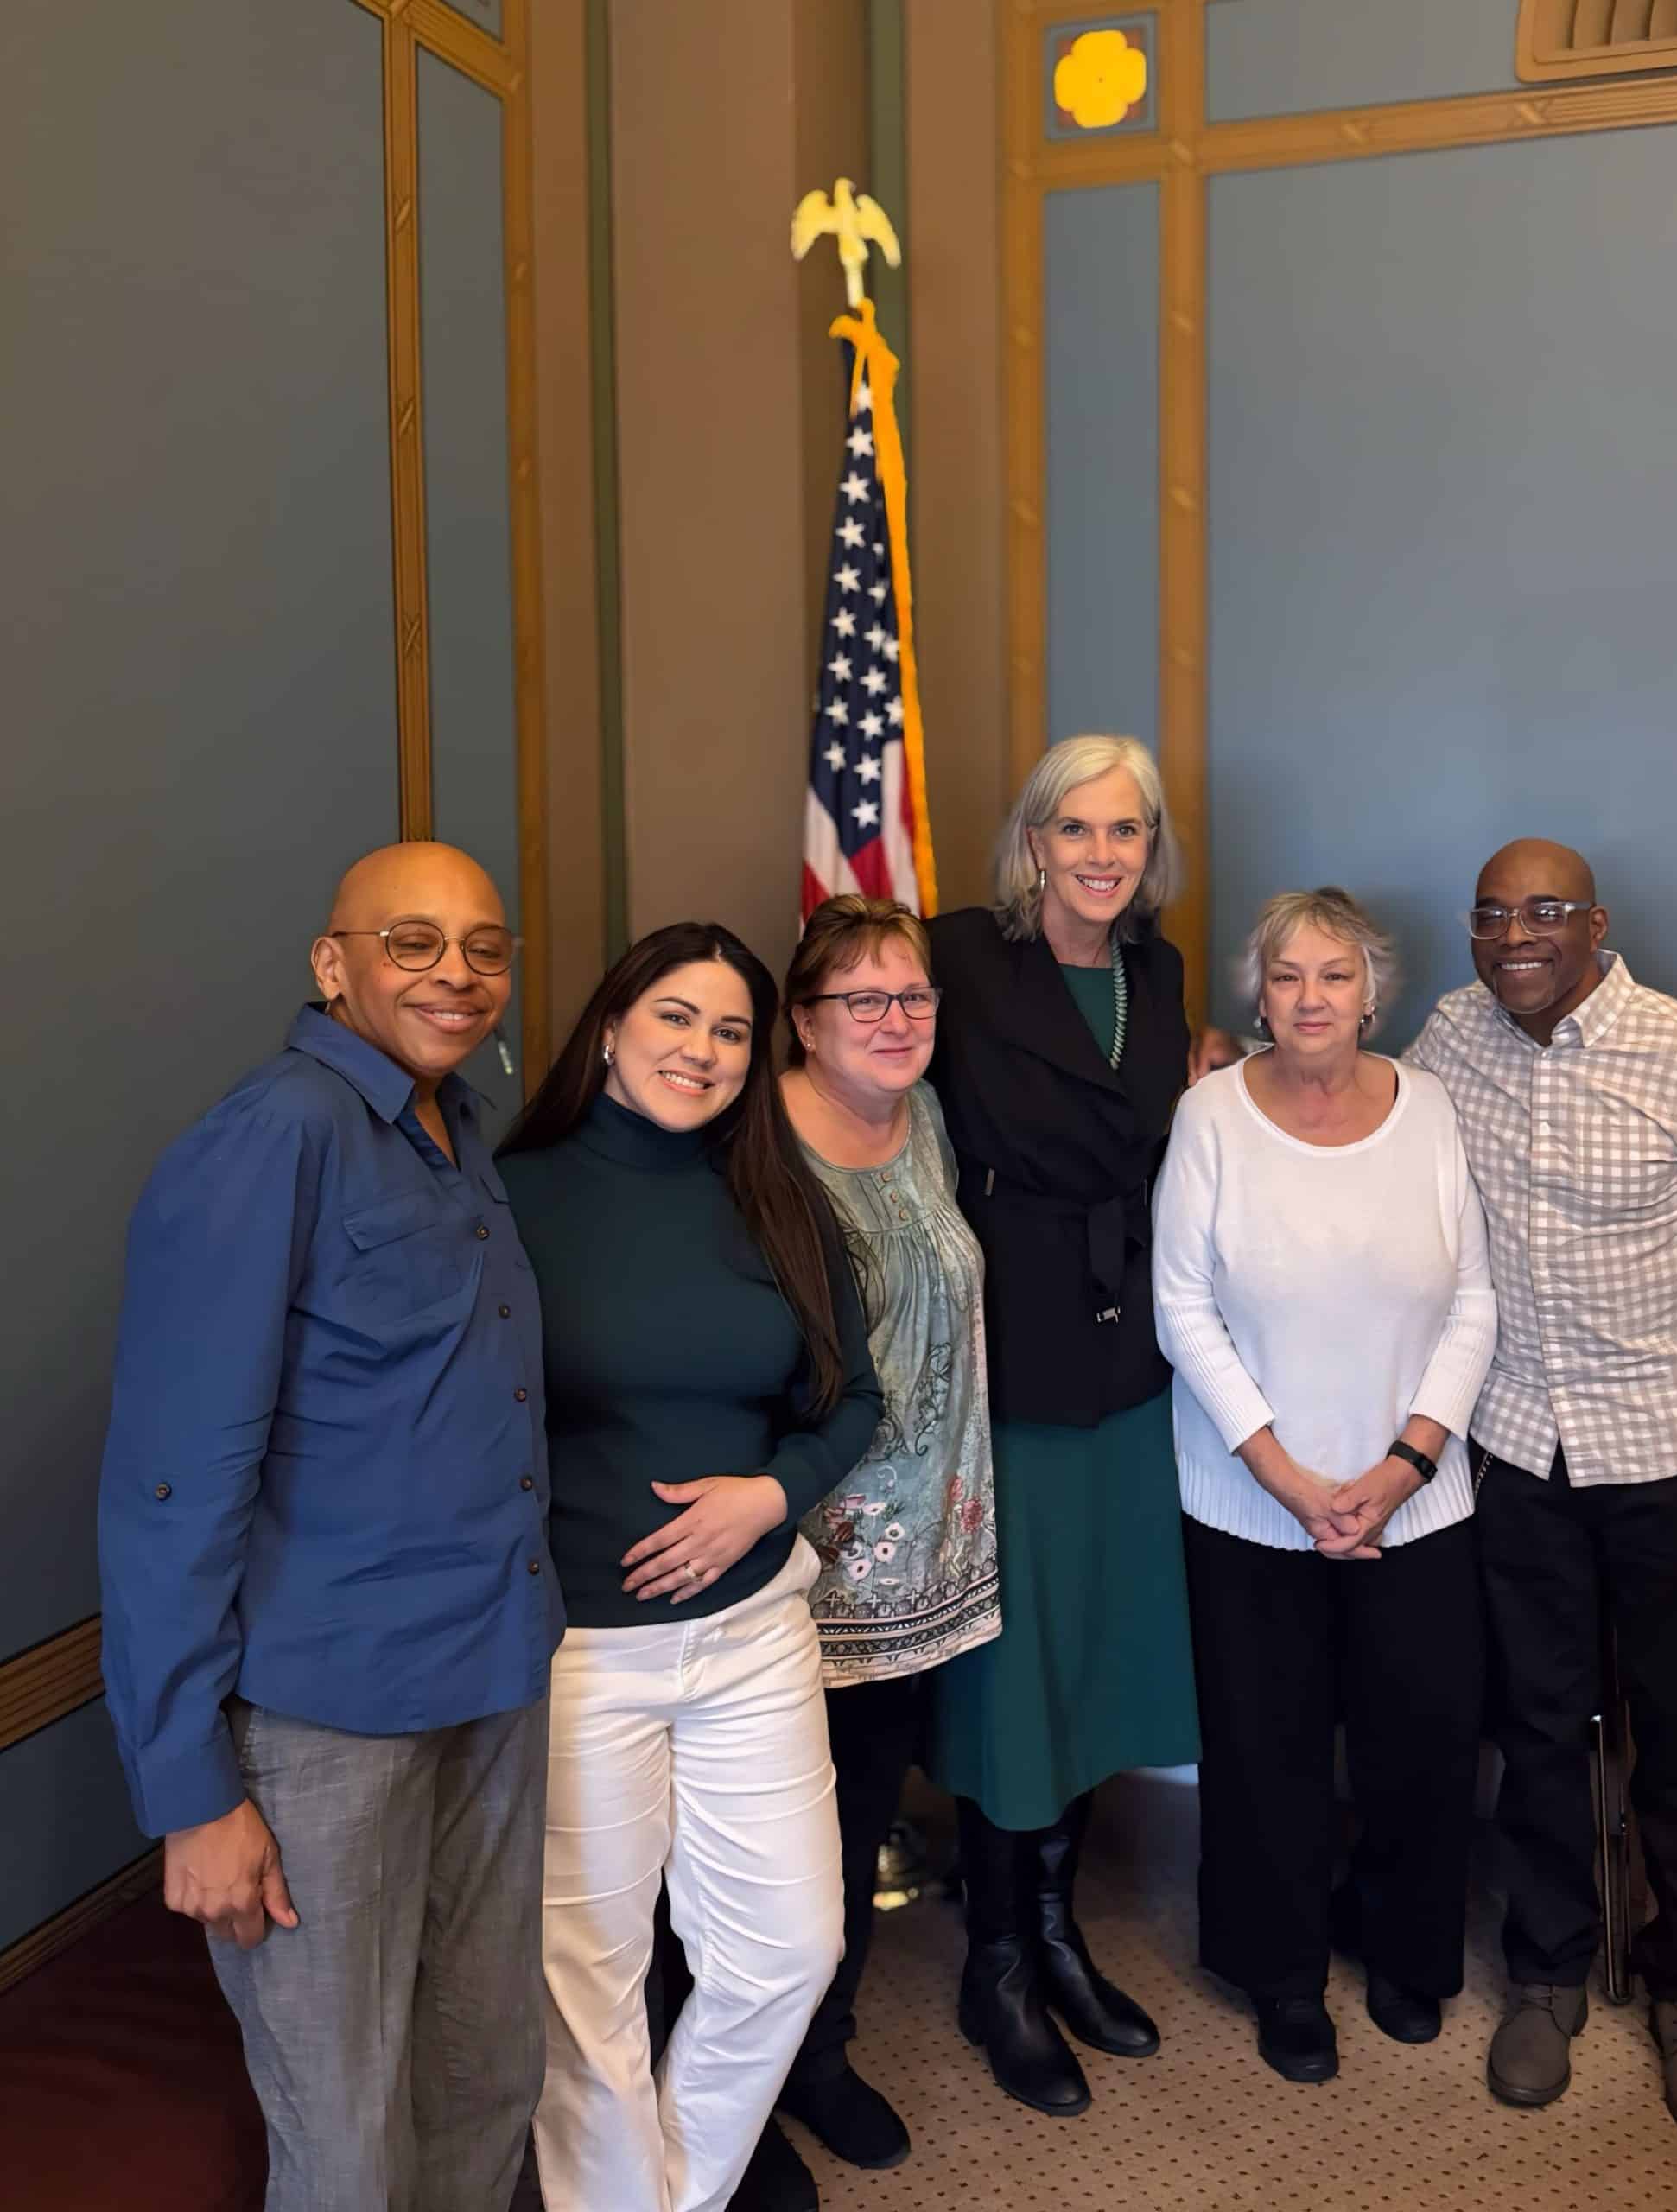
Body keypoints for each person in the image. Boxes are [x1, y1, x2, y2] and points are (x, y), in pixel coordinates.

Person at [98, 842, 556, 2210]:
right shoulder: (274, 1135)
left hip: (492, 1673)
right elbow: (170, 1480)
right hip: (326, 1719)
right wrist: (192, 1791)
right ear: (332, 963)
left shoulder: (457, 1125)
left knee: (487, 2074)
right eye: (412, 942)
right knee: (346, 2138)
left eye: (484, 947)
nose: (456, 973)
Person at [498, 923, 882, 2212]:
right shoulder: (511, 1196)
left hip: (755, 1634)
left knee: (791, 1949)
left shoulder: (778, 1197)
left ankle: (675, 2194)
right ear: (611, 1026)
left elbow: (854, 1399)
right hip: (580, 1649)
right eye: (675, 1016)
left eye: (729, 1031)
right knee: (587, 1982)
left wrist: (770, 1494)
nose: (702, 1050)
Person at [1407, 837, 1677, 2146]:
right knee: (1537, 1724)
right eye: (1492, 915)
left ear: (1598, 925)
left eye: (1545, 911)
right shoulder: (1449, 1037)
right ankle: (1548, 1971)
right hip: (1516, 1444)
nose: (1516, 936)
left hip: (1669, 1446)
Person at [1153, 888, 1496, 2083]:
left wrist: (1406, 1466)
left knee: (1422, 1742)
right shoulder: (1209, 1115)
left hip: (1417, 1498)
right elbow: (1181, 1306)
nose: (1311, 998)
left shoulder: (1431, 1108)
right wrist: (1283, 1476)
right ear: (1260, 994)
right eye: (1288, 975)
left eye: (1335, 975)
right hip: (1251, 1501)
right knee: (1266, 1750)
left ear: (1371, 995)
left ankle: (1405, 1952)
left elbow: (1475, 1302)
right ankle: (1282, 1975)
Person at [920, 732, 1202, 2118]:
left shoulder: (1160, 970)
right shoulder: (959, 957)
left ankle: (1055, 1930)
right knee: (1014, 1664)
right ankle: (998, 1962)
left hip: (1128, 1344)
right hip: (1010, 1338)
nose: (1101, 854)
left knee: (1094, 1640)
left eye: (1126, 830)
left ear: (1152, 850)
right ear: (1032, 841)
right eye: (1075, 828)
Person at [731, 895, 1001, 2208]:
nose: (896, 1021)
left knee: (853, 1820)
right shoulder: (756, 1145)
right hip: (802, 1556)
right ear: (803, 1019)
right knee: (765, 1847)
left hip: (925, 1552)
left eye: (914, 996)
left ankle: (819, 2056)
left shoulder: (928, 1116)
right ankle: (745, 2080)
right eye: (863, 1000)